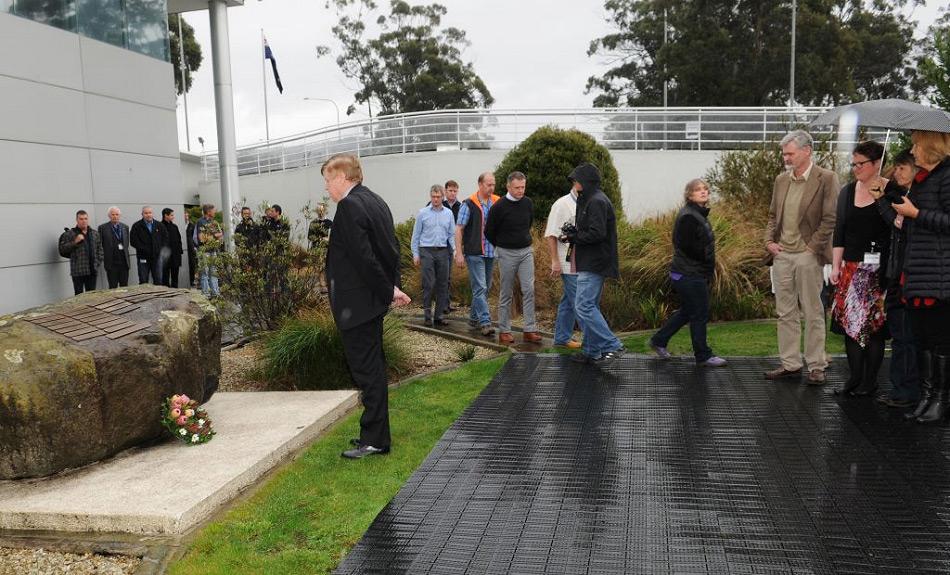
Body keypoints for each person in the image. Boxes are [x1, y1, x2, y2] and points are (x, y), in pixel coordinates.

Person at [323, 154, 410, 459]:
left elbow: (364, 259)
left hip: (358, 305)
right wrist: (392, 288)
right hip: (369, 302)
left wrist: (388, 291)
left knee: (368, 373)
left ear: (341, 177)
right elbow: (391, 250)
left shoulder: (349, 206)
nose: (326, 188)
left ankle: (374, 440)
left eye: (327, 180)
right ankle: (374, 434)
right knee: (372, 370)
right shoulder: (375, 201)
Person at [763, 130, 840, 384]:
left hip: (808, 255)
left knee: (813, 311)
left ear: (807, 151)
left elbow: (830, 218)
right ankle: (791, 364)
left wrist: (811, 249)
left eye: (790, 153)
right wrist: (769, 242)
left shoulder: (826, 178)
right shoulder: (780, 180)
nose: (786, 158)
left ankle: (816, 365)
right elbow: (773, 215)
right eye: (784, 154)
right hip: (782, 256)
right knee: (785, 313)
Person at [891, 130, 950, 423]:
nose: (912, 151)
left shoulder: (946, 177)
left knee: (940, 341)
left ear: (929, 146)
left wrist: (916, 214)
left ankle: (940, 398)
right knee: (923, 340)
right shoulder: (921, 180)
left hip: (939, 275)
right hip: (917, 272)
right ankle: (927, 396)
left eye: (916, 145)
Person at [829, 141, 891, 396]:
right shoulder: (847, 191)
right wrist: (836, 266)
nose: (855, 168)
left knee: (873, 328)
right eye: (853, 164)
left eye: (861, 164)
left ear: (876, 163)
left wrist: (882, 199)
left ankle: (870, 381)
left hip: (878, 271)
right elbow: (840, 230)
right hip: (851, 268)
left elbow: (895, 226)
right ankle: (854, 378)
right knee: (851, 326)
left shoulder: (891, 190)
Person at [649, 179, 727, 367]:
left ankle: (659, 340)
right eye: (698, 190)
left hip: (688, 272)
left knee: (688, 311)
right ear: (689, 195)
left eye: (705, 189)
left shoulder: (696, 214)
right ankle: (703, 355)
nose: (703, 192)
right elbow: (685, 246)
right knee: (699, 313)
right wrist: (705, 260)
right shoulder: (689, 216)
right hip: (689, 274)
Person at [870, 150, 920, 408]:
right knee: (900, 337)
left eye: (902, 168)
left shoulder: (918, 199)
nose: (896, 173)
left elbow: (904, 226)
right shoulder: (900, 195)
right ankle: (901, 389)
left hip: (908, 276)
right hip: (894, 274)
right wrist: (882, 198)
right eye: (896, 168)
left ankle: (907, 391)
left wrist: (881, 202)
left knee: (906, 338)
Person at [562, 162, 625, 364]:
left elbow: (597, 234)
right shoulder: (589, 199)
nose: (574, 183)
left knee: (584, 306)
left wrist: (575, 237)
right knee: (589, 306)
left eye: (576, 180)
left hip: (594, 262)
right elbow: (591, 230)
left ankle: (612, 345)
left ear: (586, 181)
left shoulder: (596, 201)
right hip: (591, 261)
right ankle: (591, 351)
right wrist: (574, 234)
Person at [484, 171, 542, 344]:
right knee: (506, 291)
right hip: (506, 252)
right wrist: (502, 246)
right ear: (508, 186)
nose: (520, 190)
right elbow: (489, 231)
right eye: (517, 187)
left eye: (523, 187)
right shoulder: (499, 207)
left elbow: (528, 223)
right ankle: (504, 330)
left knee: (529, 290)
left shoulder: (528, 203)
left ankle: (529, 329)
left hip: (526, 251)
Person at [455, 172, 500, 336]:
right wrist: (459, 253)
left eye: (493, 184)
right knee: (480, 287)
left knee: (485, 288)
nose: (492, 187)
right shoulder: (469, 204)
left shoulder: (497, 202)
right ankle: (485, 323)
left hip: (491, 252)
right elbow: (459, 229)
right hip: (474, 252)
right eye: (489, 185)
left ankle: (473, 319)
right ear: (480, 185)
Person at [544, 181, 583, 349]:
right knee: (580, 302)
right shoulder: (561, 204)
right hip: (567, 263)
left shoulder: (586, 202)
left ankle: (562, 337)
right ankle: (596, 340)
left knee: (568, 301)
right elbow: (551, 234)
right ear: (576, 183)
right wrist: (555, 261)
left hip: (582, 261)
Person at [411, 185, 456, 327]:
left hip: (443, 251)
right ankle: (427, 315)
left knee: (443, 284)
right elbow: (416, 235)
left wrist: (455, 250)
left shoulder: (448, 213)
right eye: (433, 197)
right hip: (426, 251)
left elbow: (451, 235)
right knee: (429, 284)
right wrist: (415, 254)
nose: (435, 199)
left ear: (443, 197)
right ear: (430, 197)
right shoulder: (422, 213)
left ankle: (439, 316)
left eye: (438, 197)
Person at [59, 210, 103, 295]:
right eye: (81, 219)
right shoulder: (69, 234)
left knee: (92, 296)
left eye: (85, 219)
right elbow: (62, 250)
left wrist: (96, 263)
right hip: (78, 271)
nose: (84, 221)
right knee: (79, 296)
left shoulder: (95, 233)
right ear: (77, 220)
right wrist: (75, 242)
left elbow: (100, 250)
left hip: (92, 270)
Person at [130, 206, 166, 284]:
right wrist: (144, 249)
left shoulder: (160, 225)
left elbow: (165, 239)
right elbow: (133, 241)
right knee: (143, 280)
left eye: (150, 213)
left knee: (158, 280)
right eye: (146, 213)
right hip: (143, 258)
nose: (148, 215)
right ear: (142, 214)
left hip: (157, 257)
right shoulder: (136, 226)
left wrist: (159, 249)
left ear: (152, 214)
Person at [98, 206, 130, 289]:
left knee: (125, 287)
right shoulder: (102, 228)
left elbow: (126, 244)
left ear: (120, 215)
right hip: (111, 263)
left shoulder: (125, 227)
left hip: (124, 262)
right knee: (113, 287)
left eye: (117, 214)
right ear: (109, 215)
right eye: (113, 214)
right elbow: (100, 245)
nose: (115, 216)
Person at [196, 204, 223, 297]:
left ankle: (215, 293)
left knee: (214, 273)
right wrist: (214, 236)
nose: (215, 212)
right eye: (214, 210)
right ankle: (206, 294)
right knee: (205, 273)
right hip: (204, 251)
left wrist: (212, 236)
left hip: (213, 250)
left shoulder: (214, 222)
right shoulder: (201, 222)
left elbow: (221, 235)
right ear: (208, 212)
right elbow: (202, 238)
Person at [160, 208, 183, 288]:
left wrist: (179, 251)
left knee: (175, 276)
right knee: (165, 276)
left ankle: (175, 290)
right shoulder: (160, 226)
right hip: (165, 256)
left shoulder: (174, 226)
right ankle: (167, 292)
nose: (173, 217)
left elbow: (179, 239)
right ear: (166, 215)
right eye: (171, 215)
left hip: (175, 255)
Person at [184, 211, 197, 287]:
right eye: (184, 216)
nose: (186, 217)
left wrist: (195, 246)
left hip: (191, 247)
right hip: (183, 247)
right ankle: (185, 280)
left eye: (187, 216)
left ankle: (191, 280)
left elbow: (194, 236)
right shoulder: (180, 225)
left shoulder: (192, 225)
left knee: (192, 264)